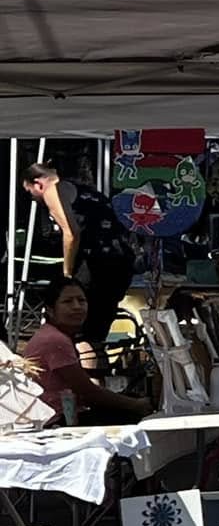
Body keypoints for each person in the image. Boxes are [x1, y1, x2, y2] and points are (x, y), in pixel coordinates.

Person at [22, 162, 138, 358]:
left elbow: (71, 233)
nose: (33, 198)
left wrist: (67, 273)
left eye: (30, 192)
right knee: (96, 335)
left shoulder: (53, 190)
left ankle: (77, 374)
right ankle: (97, 375)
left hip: (96, 264)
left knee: (79, 332)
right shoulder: (85, 190)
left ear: (38, 183)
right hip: (121, 262)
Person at [13, 277, 151, 421]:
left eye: (81, 301)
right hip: (56, 418)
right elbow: (88, 392)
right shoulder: (54, 340)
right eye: (68, 302)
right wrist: (136, 405)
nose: (77, 307)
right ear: (50, 310)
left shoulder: (56, 335)